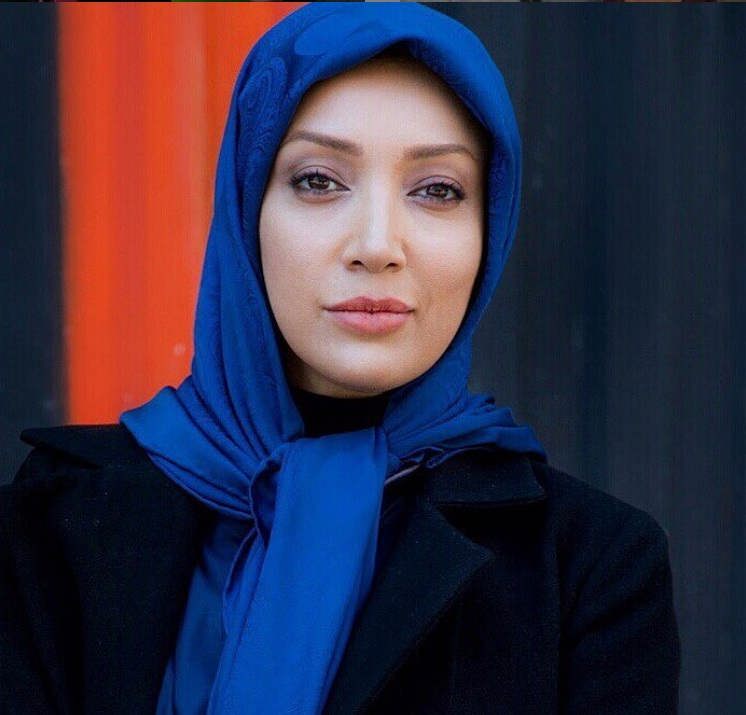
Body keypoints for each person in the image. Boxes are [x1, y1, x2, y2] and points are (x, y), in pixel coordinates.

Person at [0, 3, 680, 714]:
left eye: (438, 190)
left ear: (491, 229)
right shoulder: (53, 523)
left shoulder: (589, 567)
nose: (377, 245)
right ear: (246, 208)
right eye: (319, 180)